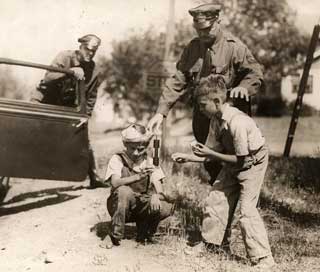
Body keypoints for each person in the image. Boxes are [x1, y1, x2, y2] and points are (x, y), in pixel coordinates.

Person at [147, 3, 263, 183]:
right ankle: (218, 193)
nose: (202, 34)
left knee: (235, 159)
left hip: (228, 114)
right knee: (210, 159)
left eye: (206, 30)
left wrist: (244, 87)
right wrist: (160, 112)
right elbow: (178, 79)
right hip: (203, 114)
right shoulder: (193, 48)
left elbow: (254, 72)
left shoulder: (234, 47)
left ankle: (241, 198)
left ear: (218, 22)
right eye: (198, 30)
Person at [171, 75, 275, 269]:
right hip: (232, 160)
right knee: (216, 197)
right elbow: (213, 153)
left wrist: (210, 153)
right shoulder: (215, 120)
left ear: (217, 101)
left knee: (247, 212)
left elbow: (241, 159)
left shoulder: (238, 122)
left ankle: (263, 259)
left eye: (202, 105)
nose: (200, 110)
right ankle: (212, 244)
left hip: (252, 163)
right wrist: (188, 157)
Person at [32, 34, 104, 188]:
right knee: (26, 130)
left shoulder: (94, 69)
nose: (90, 54)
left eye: (94, 51)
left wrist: (86, 116)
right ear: (80, 47)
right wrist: (70, 71)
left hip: (68, 105)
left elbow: (91, 96)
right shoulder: (64, 56)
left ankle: (94, 177)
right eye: (87, 49)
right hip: (46, 99)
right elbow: (48, 78)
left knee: (83, 138)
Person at [101, 124, 173, 248]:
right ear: (125, 144)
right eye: (132, 148)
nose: (135, 153)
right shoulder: (117, 159)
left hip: (141, 206)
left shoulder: (150, 161)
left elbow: (161, 192)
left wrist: (156, 195)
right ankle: (115, 235)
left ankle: (145, 230)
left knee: (166, 205)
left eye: (140, 149)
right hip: (121, 206)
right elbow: (115, 183)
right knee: (124, 191)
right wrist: (138, 177)